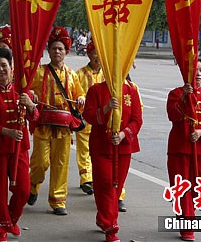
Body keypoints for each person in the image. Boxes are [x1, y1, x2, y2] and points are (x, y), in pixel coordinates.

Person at [0, 48, 39, 242]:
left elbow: (36, 117)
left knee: (23, 189)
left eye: (4, 65)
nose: (1, 70)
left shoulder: (22, 92)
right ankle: (1, 229)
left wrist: (30, 104)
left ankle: (11, 219)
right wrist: (7, 131)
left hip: (19, 148)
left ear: (12, 68)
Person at [27, 26, 85, 216]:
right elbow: (28, 91)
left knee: (61, 164)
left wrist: (81, 99)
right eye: (54, 48)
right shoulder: (39, 72)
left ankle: (58, 200)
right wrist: (32, 95)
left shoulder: (72, 75)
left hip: (63, 127)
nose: (57, 52)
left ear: (66, 52)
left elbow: (79, 95)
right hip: (43, 126)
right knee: (40, 162)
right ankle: (32, 186)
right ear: (48, 51)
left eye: (60, 49)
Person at [83, 76, 143, 242]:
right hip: (101, 147)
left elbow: (137, 120)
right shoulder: (96, 90)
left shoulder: (132, 90)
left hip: (123, 148)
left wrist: (123, 134)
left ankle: (104, 218)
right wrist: (106, 107)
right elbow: (88, 115)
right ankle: (111, 227)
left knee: (116, 188)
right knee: (105, 185)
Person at [166, 59, 201, 242]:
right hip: (179, 150)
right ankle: (187, 227)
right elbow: (173, 115)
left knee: (200, 188)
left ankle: (184, 216)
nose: (198, 74)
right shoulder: (175, 94)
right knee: (183, 188)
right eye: (195, 70)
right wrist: (184, 98)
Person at [75, 41, 104, 196]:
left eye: (100, 54)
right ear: (88, 55)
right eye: (94, 54)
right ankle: (86, 179)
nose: (97, 58)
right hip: (85, 120)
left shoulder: (106, 75)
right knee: (84, 150)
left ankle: (97, 179)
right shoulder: (79, 74)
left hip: (102, 122)